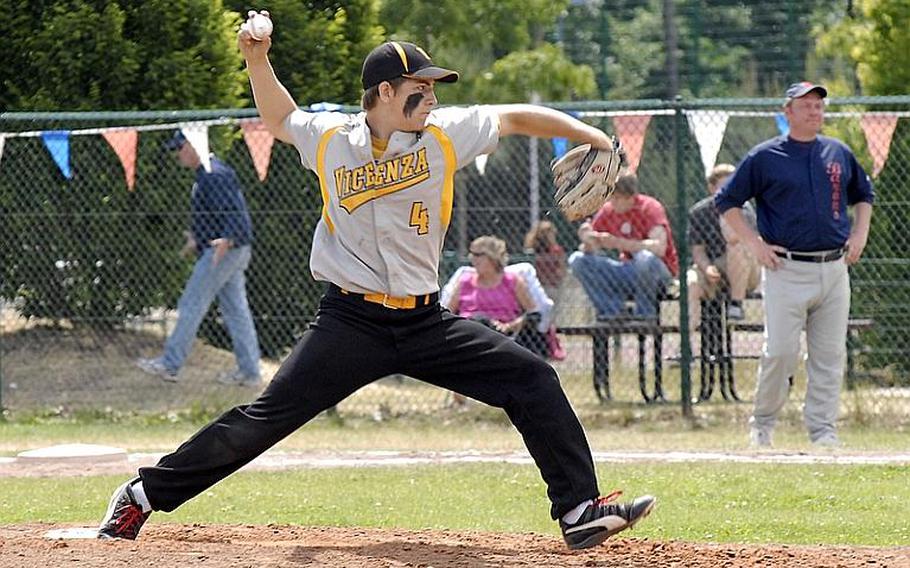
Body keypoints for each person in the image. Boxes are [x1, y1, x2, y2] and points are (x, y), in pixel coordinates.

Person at [98, 13, 654, 550]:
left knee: (532, 378)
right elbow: (281, 119)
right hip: (351, 322)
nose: (433, 97)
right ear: (385, 91)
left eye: (435, 88)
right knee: (262, 423)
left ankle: (580, 512)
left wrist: (594, 136)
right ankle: (143, 494)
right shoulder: (333, 139)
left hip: (423, 320)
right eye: (422, 87)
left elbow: (514, 117)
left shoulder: (444, 135)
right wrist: (256, 59)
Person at [715, 82, 874, 448]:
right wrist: (754, 243)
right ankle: (762, 424)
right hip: (786, 268)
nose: (814, 111)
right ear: (787, 112)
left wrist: (860, 233)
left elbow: (864, 194)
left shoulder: (837, 152)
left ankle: (823, 431)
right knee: (780, 351)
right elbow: (727, 201)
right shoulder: (766, 156)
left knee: (830, 354)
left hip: (834, 268)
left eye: (818, 105)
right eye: (805, 106)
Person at [136, 130, 261, 387]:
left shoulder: (213, 174)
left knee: (191, 303)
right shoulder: (208, 173)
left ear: (193, 145)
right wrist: (198, 238)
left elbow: (234, 212)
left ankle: (170, 365)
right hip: (230, 250)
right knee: (236, 312)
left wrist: (226, 240)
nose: (177, 154)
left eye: (180, 148)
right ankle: (250, 372)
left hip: (224, 252)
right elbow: (218, 213)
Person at [568, 174, 679, 319]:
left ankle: (644, 316)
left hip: (659, 275)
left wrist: (618, 243)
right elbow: (589, 248)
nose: (612, 202)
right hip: (626, 271)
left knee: (645, 258)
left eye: (617, 198)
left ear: (631, 197)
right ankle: (614, 311)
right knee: (577, 260)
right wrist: (587, 238)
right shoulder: (608, 210)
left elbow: (659, 248)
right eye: (610, 197)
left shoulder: (650, 207)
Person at [443, 235, 550, 359]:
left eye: (478, 255)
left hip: (505, 334)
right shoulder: (464, 281)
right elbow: (448, 314)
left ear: (493, 257)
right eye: (471, 254)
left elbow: (533, 314)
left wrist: (508, 326)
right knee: (479, 320)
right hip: (470, 332)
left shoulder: (512, 281)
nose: (472, 258)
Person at [686, 163, 761, 333]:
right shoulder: (699, 212)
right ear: (711, 188)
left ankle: (736, 304)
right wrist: (707, 268)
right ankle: (687, 344)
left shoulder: (744, 208)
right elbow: (697, 250)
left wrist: (727, 213)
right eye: (724, 187)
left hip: (746, 271)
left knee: (735, 248)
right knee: (691, 282)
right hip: (714, 266)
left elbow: (736, 239)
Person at [524, 220, 567, 301]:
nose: (553, 236)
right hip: (544, 286)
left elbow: (561, 271)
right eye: (550, 233)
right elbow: (562, 271)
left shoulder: (555, 250)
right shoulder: (533, 250)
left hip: (545, 286)